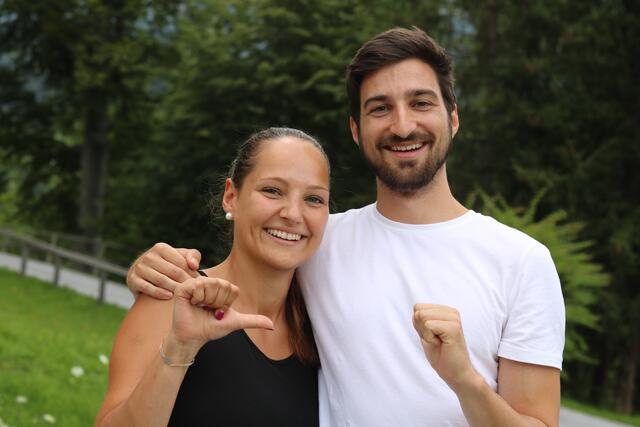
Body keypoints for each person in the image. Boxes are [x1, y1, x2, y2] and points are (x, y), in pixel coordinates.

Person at [127, 27, 565, 427]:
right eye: (380, 109)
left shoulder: (522, 262)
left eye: (421, 103)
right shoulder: (317, 241)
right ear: (357, 130)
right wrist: (154, 269)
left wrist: (464, 379)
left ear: (452, 117)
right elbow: (241, 263)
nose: (403, 124)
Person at [95, 127, 331, 426]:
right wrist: (181, 346)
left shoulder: (322, 324)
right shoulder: (173, 300)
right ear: (231, 196)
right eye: (273, 190)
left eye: (314, 199)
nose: (293, 214)